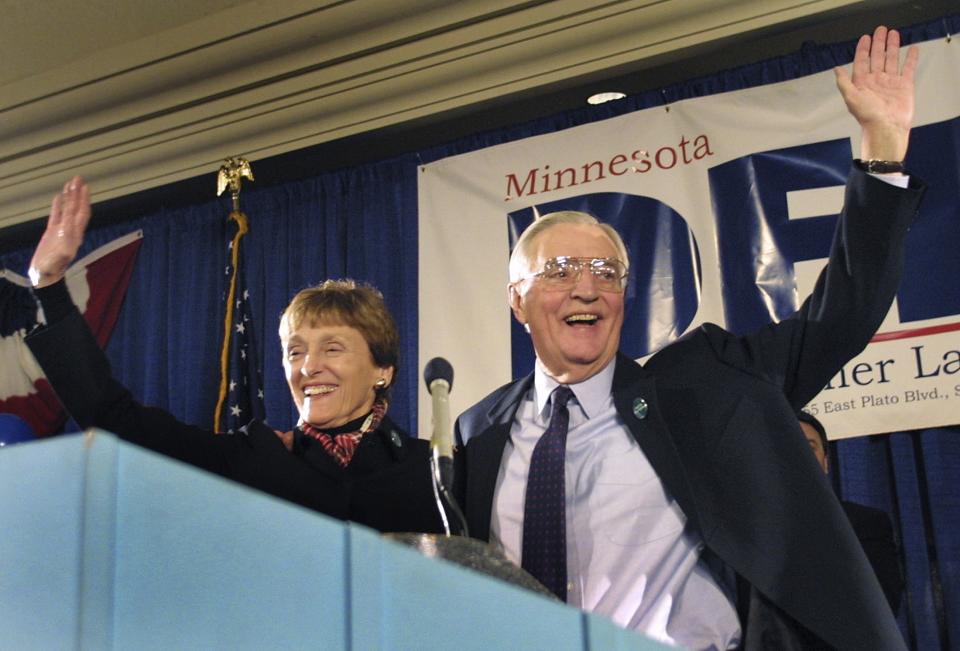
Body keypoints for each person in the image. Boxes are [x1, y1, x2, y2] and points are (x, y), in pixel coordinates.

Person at [454, 26, 923, 650]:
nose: (586, 290)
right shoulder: (476, 432)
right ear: (517, 300)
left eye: (605, 273)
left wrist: (882, 155)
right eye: (559, 273)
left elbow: (842, 313)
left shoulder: (704, 384)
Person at [24, 183, 444, 534]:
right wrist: (49, 286)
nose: (308, 366)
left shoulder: (433, 468)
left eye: (332, 348)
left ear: (382, 369)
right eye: (294, 352)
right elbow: (116, 419)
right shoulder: (253, 457)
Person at [798, 411, 904, 614]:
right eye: (788, 447)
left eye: (809, 447)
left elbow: (883, 604)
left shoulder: (865, 523)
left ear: (826, 462)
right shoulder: (747, 526)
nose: (799, 454)